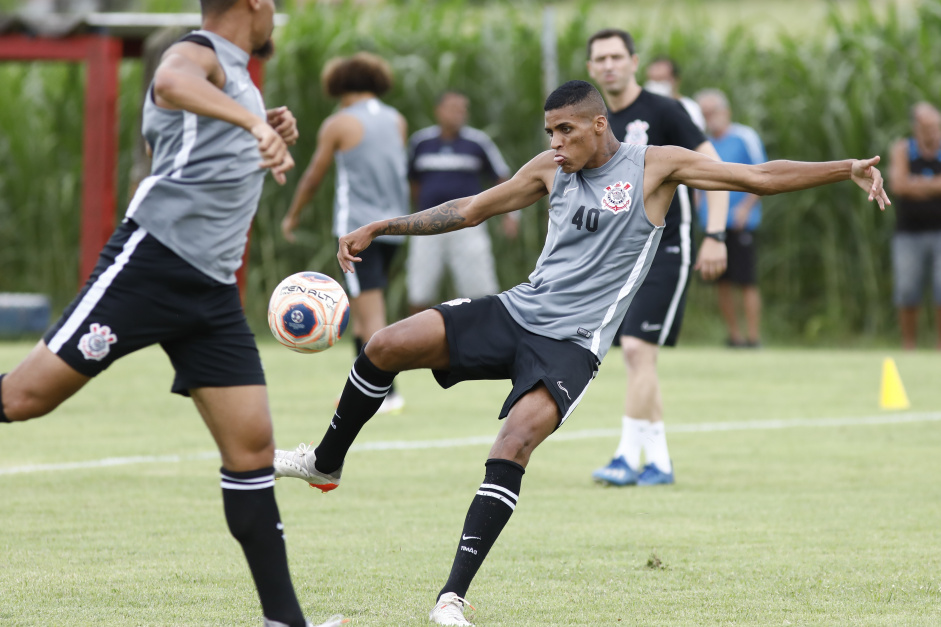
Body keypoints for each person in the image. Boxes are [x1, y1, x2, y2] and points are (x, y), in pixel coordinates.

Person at [272, 80, 889, 625]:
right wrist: (384, 225)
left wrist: (845, 168)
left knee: (512, 444)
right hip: (518, 312)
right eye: (550, 133)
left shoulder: (655, 167)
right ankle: (326, 462)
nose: (556, 144)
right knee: (384, 344)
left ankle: (450, 600)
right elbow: (470, 209)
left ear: (600, 125)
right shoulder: (548, 169)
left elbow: (758, 176)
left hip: (571, 347)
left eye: (566, 131)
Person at [0, 1, 345, 626]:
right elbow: (169, 81)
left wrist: (257, 124)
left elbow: (202, 138)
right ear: (252, 4)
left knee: (252, 448)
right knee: (23, 399)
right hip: (151, 266)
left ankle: (283, 623)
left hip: (210, 296)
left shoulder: (238, 75)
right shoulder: (201, 51)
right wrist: (251, 123)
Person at [585, 28, 729, 488]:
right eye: (600, 58)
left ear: (634, 61)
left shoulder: (665, 111)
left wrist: (717, 234)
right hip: (619, 260)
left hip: (666, 249)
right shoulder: (593, 119)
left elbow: (715, 169)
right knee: (635, 359)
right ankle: (660, 461)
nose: (608, 64)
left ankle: (628, 457)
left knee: (636, 350)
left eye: (616, 56)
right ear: (590, 68)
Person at [282, 51, 409, 412]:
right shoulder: (395, 119)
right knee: (361, 310)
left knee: (372, 315)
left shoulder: (339, 122)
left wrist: (292, 215)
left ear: (338, 84)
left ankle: (387, 392)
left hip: (357, 233)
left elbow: (313, 176)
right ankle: (364, 385)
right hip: (395, 229)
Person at [406, 91, 515, 314]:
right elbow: (412, 182)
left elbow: (502, 179)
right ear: (439, 111)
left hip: (468, 226)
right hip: (426, 227)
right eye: (453, 108)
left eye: (463, 109)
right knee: (420, 288)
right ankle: (417, 344)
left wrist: (510, 216)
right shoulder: (421, 142)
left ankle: (483, 342)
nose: (459, 114)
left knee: (479, 289)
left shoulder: (477, 142)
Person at [697, 88, 768, 348]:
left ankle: (753, 337)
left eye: (712, 112)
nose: (708, 118)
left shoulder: (745, 137)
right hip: (711, 223)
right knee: (722, 282)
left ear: (725, 111)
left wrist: (746, 208)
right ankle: (734, 336)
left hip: (740, 222)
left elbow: (763, 173)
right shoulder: (702, 142)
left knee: (746, 281)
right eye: (703, 114)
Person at [887, 101, 941, 350]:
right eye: (927, 126)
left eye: (936, 126)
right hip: (908, 233)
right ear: (916, 127)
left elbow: (908, 184)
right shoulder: (902, 149)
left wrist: (915, 184)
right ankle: (909, 347)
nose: (932, 131)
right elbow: (899, 186)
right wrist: (933, 186)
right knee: (907, 290)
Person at [644, 55, 707, 131]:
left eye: (661, 79)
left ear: (675, 80)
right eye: (652, 80)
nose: (655, 85)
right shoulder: (642, 108)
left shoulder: (690, 108)